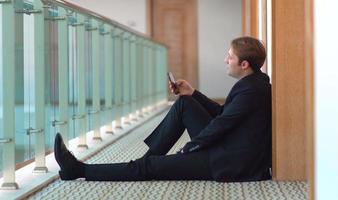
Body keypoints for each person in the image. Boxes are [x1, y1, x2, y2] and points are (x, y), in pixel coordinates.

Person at [54, 36, 272, 182]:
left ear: (244, 64)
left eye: (230, 57)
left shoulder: (251, 90)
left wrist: (190, 148)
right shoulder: (254, 82)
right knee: (184, 103)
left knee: (151, 167)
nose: (226, 60)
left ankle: (79, 170)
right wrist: (192, 93)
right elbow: (224, 114)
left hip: (227, 162)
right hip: (228, 147)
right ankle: (146, 161)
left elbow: (221, 124)